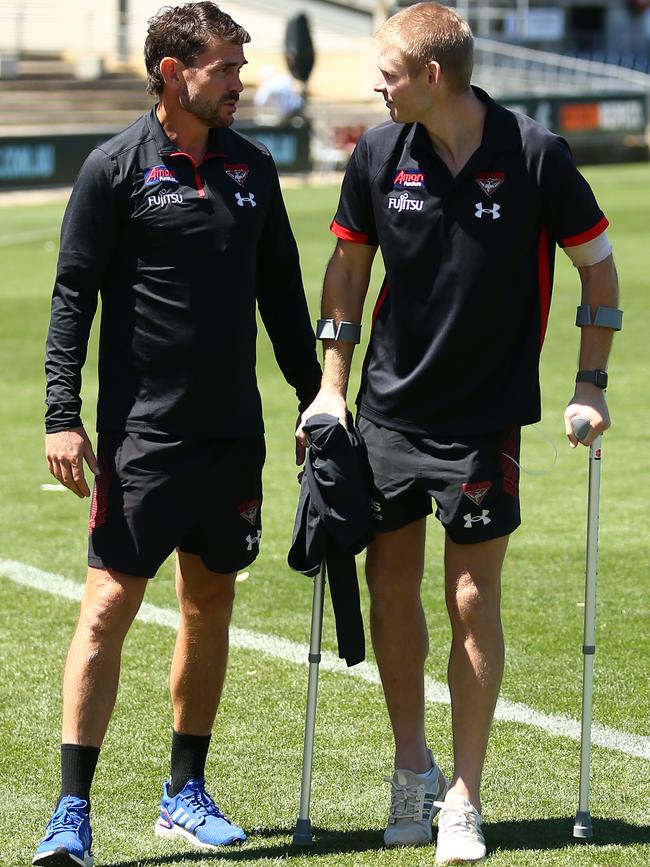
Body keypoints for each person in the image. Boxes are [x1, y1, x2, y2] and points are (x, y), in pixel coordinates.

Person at [298, 3, 620, 864]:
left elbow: (598, 264)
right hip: (390, 413)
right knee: (390, 583)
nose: (375, 83)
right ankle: (413, 766)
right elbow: (346, 270)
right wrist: (332, 390)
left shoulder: (536, 154)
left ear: (432, 76)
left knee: (473, 599)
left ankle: (464, 799)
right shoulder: (376, 153)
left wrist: (590, 385)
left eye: (388, 71)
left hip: (485, 422)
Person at [34, 3, 321, 865]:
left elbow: (282, 298)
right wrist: (61, 414)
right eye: (225, 67)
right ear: (172, 72)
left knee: (211, 603)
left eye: (240, 65)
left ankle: (183, 793)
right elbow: (72, 295)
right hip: (141, 440)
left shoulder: (255, 168)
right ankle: (70, 811)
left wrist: (317, 396)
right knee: (108, 607)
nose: (240, 81)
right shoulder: (114, 168)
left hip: (232, 435)